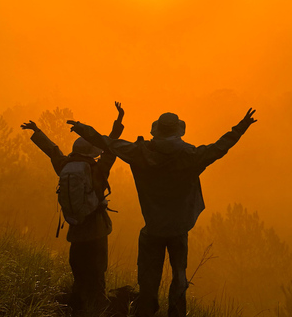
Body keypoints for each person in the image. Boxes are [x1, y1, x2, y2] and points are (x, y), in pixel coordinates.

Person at [67, 108, 257, 317]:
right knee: (179, 277)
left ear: (156, 131)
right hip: (179, 229)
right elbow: (219, 148)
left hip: (153, 230)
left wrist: (81, 129)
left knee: (148, 281)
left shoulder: (140, 153)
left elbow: (107, 143)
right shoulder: (190, 155)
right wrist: (240, 128)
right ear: (178, 131)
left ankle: (146, 312)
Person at [21, 102, 125, 316]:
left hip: (75, 230)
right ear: (91, 153)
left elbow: (52, 151)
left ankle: (76, 307)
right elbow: (111, 148)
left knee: (79, 273)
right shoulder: (97, 169)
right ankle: (97, 309)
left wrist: (37, 131)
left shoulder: (65, 166)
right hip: (96, 230)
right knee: (97, 275)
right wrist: (119, 122)